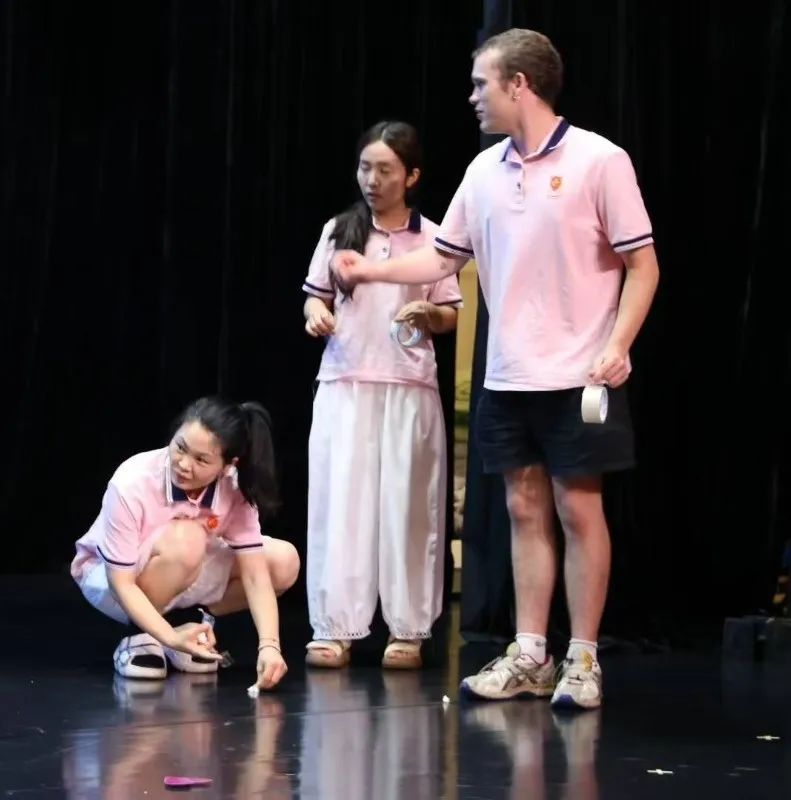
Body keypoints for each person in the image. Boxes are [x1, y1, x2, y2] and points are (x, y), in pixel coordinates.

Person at [332, 30, 659, 709]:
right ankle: (530, 653)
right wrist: (372, 271)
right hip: (508, 376)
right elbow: (443, 256)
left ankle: (583, 658)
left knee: (577, 508)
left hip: (579, 375)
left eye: (482, 83)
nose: (473, 97)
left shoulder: (600, 160)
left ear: (519, 85)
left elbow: (642, 265)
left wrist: (618, 343)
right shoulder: (484, 171)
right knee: (522, 507)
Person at [302, 120, 463, 669]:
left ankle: (407, 630)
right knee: (340, 504)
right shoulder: (339, 231)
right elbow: (315, 298)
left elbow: (451, 314)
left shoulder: (434, 238)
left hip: (407, 386)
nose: (372, 180)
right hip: (345, 382)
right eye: (365, 168)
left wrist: (429, 313)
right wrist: (317, 314)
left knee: (408, 508)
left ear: (411, 176)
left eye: (386, 170)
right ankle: (334, 627)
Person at [71, 396, 300, 691]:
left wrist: (269, 646)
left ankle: (187, 625)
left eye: (201, 460)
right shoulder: (133, 480)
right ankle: (142, 637)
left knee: (283, 561)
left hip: (183, 565)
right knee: (189, 539)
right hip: (109, 578)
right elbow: (121, 583)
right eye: (180, 447)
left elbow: (255, 575)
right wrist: (169, 637)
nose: (183, 464)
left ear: (228, 465)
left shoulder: (234, 488)